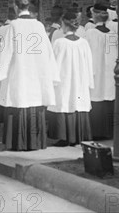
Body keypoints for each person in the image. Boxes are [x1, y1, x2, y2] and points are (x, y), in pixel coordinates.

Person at [0, 0, 60, 151]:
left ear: (16, 7)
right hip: (37, 74)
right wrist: (52, 74)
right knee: (34, 103)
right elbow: (48, 51)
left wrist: (0, 73)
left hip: (20, 72)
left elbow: (6, 51)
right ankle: (35, 142)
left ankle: (18, 142)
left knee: (19, 102)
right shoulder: (39, 26)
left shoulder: (14, 26)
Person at [47, 10, 93, 146]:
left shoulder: (59, 43)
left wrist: (52, 80)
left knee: (66, 102)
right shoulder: (83, 43)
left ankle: (64, 136)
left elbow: (53, 63)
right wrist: (89, 81)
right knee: (76, 103)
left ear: (64, 25)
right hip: (80, 80)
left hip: (64, 79)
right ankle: (78, 135)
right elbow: (89, 63)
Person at [84, 3, 117, 140]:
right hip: (109, 72)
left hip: (96, 72)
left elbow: (86, 53)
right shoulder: (113, 34)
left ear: (95, 16)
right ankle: (108, 131)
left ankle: (96, 131)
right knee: (107, 97)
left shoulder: (90, 33)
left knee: (97, 97)